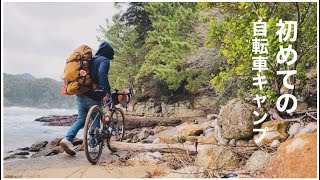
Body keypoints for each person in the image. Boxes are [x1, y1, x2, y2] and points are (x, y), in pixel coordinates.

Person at [59, 42, 114, 155]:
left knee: (81, 118)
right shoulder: (104, 60)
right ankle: (92, 145)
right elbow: (102, 74)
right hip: (93, 94)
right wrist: (106, 92)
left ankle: (67, 139)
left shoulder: (91, 59)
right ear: (109, 54)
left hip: (80, 92)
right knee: (95, 118)